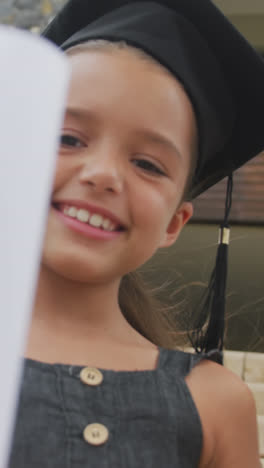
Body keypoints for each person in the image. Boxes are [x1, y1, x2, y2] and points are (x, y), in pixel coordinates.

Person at [8, 1, 264, 467]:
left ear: (174, 223)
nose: (103, 175)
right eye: (67, 138)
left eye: (147, 164)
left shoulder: (214, 405)